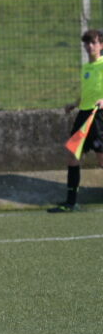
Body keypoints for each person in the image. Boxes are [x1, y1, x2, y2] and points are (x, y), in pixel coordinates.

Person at [51, 29, 103, 212]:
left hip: (99, 116)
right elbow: (86, 91)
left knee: (101, 159)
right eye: (87, 43)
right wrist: (74, 104)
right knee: (73, 156)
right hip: (83, 115)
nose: (90, 46)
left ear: (101, 45)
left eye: (94, 43)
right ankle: (70, 202)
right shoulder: (86, 67)